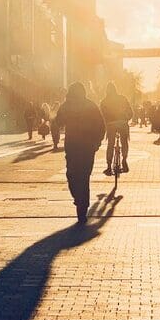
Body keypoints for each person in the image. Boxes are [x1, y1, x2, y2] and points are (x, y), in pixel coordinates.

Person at [52, 82, 106, 224]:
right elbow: (102, 126)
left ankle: (79, 200)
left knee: (71, 174)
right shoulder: (91, 105)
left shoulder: (67, 105)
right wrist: (97, 143)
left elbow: (58, 122)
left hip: (73, 147)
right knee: (84, 177)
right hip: (87, 147)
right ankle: (82, 204)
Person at [99, 82, 133, 175]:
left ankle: (109, 166)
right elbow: (130, 111)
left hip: (111, 125)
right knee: (124, 142)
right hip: (122, 124)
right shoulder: (123, 98)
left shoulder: (104, 101)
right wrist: (126, 118)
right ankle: (124, 160)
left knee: (110, 144)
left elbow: (102, 116)